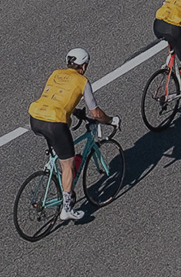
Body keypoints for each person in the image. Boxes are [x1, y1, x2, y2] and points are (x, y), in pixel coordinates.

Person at [28, 49, 120, 222]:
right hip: (54, 122)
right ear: (84, 65)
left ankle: (54, 167)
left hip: (35, 118)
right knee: (68, 164)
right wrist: (111, 121)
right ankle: (67, 209)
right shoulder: (82, 81)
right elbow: (96, 113)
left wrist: (75, 111)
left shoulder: (55, 73)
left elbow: (54, 98)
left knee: (63, 132)